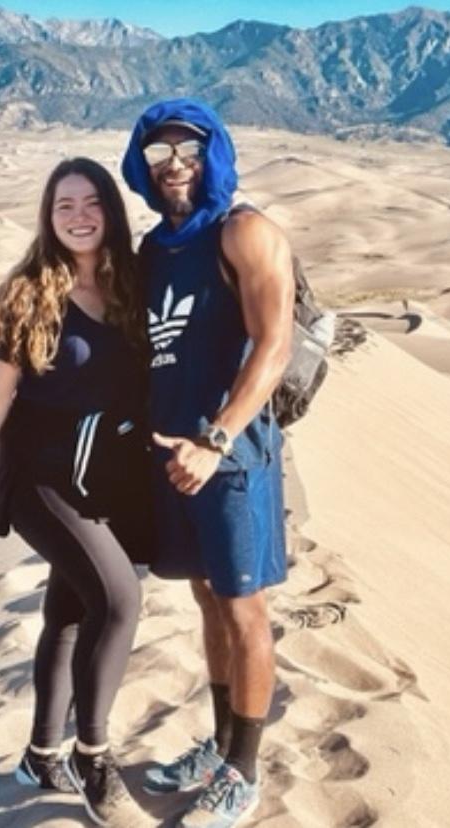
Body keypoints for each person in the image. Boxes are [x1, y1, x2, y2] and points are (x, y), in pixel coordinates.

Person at [0, 157, 153, 828]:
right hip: (40, 480)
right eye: (64, 205)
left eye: (92, 203)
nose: (79, 215)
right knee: (118, 599)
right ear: (48, 217)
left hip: (108, 478)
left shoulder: (132, 287)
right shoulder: (28, 295)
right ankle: (94, 758)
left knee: (71, 613)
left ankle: (40, 754)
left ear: (111, 211)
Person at [122, 99, 294, 827]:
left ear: (214, 152)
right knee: (207, 603)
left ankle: (245, 773)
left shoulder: (245, 233)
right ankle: (224, 746)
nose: (174, 167)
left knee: (245, 606)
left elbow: (274, 346)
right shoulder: (153, 250)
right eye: (159, 155)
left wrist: (216, 438)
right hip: (172, 461)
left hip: (230, 459)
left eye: (188, 150)